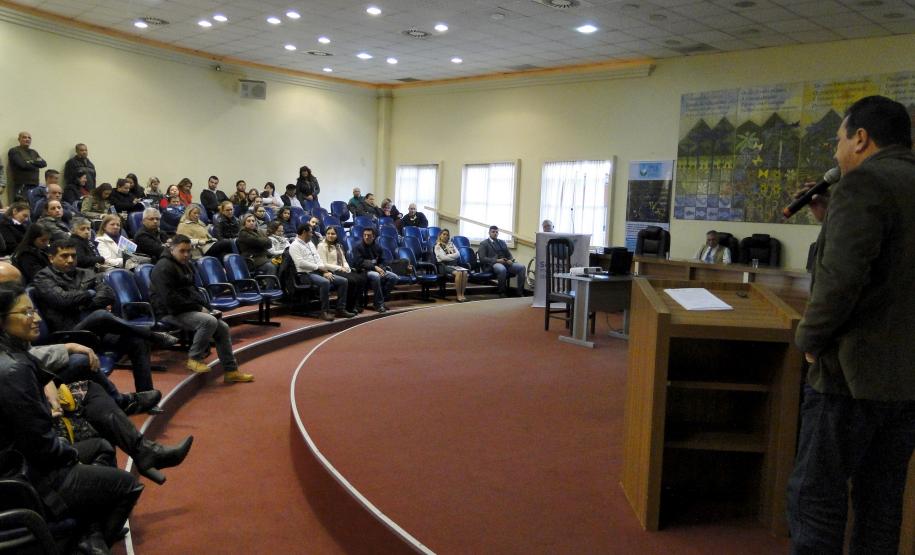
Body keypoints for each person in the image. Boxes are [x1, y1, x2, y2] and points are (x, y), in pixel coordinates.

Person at [788, 95, 915, 555]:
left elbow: (840, 282)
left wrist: (809, 340)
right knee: (881, 504)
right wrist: (829, 221)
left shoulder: (863, 185)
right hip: (906, 384)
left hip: (849, 378)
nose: (837, 152)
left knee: (816, 499)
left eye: (840, 139)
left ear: (861, 138)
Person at [0, 283, 144, 554]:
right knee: (127, 485)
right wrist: (69, 455)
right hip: (20, 476)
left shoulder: (13, 356)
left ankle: (90, 535)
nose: (37, 319)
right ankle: (85, 541)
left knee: (100, 445)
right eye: (27, 312)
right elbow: (39, 446)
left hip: (21, 462)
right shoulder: (13, 369)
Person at [32, 239, 178, 392]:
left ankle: (146, 393)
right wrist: (89, 293)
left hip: (96, 332)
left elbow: (108, 294)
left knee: (137, 341)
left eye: (73, 256)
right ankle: (153, 335)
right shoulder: (43, 278)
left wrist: (82, 302)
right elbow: (62, 300)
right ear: (51, 258)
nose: (70, 260)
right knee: (100, 314)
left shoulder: (85, 272)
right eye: (64, 256)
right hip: (69, 334)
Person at [150, 235, 254, 383]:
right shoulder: (163, 268)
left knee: (222, 327)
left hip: (185, 308)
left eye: (188, 251)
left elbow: (193, 291)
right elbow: (169, 300)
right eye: (182, 251)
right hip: (167, 311)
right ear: (171, 249)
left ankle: (231, 371)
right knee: (208, 322)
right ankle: (194, 358)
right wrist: (198, 308)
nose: (186, 255)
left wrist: (207, 308)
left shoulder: (185, 264)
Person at [289, 223, 353, 321]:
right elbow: (300, 263)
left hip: (317, 271)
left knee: (343, 281)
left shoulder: (310, 243)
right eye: (310, 232)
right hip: (305, 274)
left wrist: (325, 271)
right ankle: (324, 311)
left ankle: (340, 308)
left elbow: (318, 258)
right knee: (325, 282)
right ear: (304, 232)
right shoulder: (294, 245)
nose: (312, 234)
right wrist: (319, 268)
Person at [317, 226, 364, 314]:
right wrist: (339, 268)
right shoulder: (321, 246)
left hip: (341, 269)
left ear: (337, 235)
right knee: (352, 281)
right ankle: (346, 307)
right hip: (331, 270)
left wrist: (347, 268)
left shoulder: (338, 245)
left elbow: (344, 260)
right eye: (328, 233)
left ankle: (354, 305)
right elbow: (323, 263)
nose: (330, 235)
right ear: (325, 235)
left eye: (333, 234)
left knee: (360, 279)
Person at [351, 228, 398, 313]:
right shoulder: (357, 247)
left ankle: (381, 300)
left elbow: (383, 260)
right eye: (364, 235)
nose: (366, 237)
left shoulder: (378, 246)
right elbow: (359, 262)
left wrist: (382, 269)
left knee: (394, 277)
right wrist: (375, 268)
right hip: (364, 271)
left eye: (368, 235)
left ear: (373, 237)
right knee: (376, 276)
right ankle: (378, 304)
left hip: (377, 269)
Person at [478, 225, 526, 297]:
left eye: (496, 232)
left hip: (505, 262)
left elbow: (509, 254)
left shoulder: (502, 242)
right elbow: (482, 258)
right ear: (489, 233)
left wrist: (510, 260)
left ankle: (519, 292)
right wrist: (497, 260)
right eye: (493, 232)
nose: (495, 233)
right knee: (501, 269)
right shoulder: (484, 243)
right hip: (492, 264)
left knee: (522, 267)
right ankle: (502, 292)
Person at [7, 131, 47, 200]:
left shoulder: (33, 152)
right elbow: (22, 165)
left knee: (34, 205)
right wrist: (35, 163)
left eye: (29, 138)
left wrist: (29, 161)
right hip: (22, 185)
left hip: (35, 184)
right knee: (22, 206)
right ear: (19, 139)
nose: (27, 139)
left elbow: (43, 163)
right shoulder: (14, 151)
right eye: (24, 137)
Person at [434, 229, 469, 302]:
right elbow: (443, 258)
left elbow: (458, 254)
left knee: (465, 272)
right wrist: (452, 256)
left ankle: (462, 294)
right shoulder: (437, 246)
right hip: (443, 266)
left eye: (447, 235)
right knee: (459, 273)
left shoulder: (451, 244)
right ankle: (458, 295)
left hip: (454, 265)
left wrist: (448, 256)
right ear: (440, 235)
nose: (445, 236)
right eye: (444, 234)